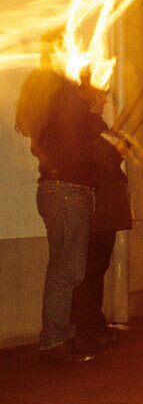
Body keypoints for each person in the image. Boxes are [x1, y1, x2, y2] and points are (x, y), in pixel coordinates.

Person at [15, 56, 109, 362]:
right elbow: (89, 128)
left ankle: (60, 336)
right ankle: (54, 340)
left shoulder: (48, 90)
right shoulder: (59, 89)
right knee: (66, 269)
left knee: (67, 268)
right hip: (67, 191)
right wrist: (93, 108)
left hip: (62, 190)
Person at [70, 86, 132, 352]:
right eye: (101, 96)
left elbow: (118, 153)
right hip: (99, 211)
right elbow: (104, 159)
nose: (105, 100)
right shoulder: (88, 126)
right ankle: (87, 325)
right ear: (90, 99)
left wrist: (120, 146)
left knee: (97, 269)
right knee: (92, 270)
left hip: (106, 211)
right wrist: (118, 148)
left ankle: (92, 322)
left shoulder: (100, 126)